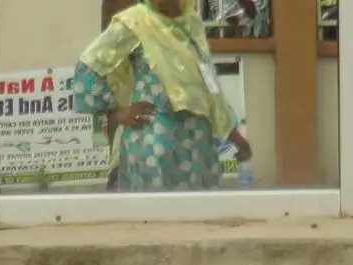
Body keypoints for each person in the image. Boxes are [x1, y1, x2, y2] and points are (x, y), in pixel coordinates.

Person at [73, 0, 253, 192]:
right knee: (153, 216)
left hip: (197, 148)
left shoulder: (192, 23)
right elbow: (88, 67)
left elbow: (208, 86)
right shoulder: (135, 21)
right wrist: (116, 114)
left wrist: (234, 136)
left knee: (199, 217)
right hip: (153, 144)